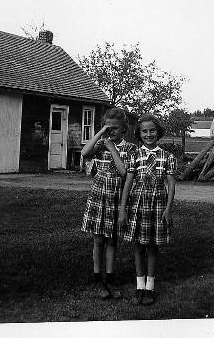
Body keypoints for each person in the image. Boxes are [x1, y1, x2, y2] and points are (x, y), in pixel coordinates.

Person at [119, 113, 176, 306]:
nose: (149, 134)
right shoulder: (134, 154)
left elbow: (171, 185)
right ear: (139, 133)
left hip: (158, 205)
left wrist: (168, 209)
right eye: (145, 131)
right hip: (137, 205)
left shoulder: (167, 156)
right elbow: (128, 182)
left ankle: (150, 287)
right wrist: (122, 209)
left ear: (158, 132)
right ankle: (139, 286)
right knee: (138, 246)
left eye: (152, 130)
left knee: (152, 246)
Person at [81, 107, 137, 300]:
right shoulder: (101, 144)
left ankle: (110, 277)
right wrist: (100, 134)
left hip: (115, 197)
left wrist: (112, 149)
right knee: (98, 240)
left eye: (115, 128)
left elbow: (124, 172)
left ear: (124, 130)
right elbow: (85, 152)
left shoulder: (130, 148)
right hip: (98, 196)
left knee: (112, 240)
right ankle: (98, 277)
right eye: (108, 127)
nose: (111, 131)